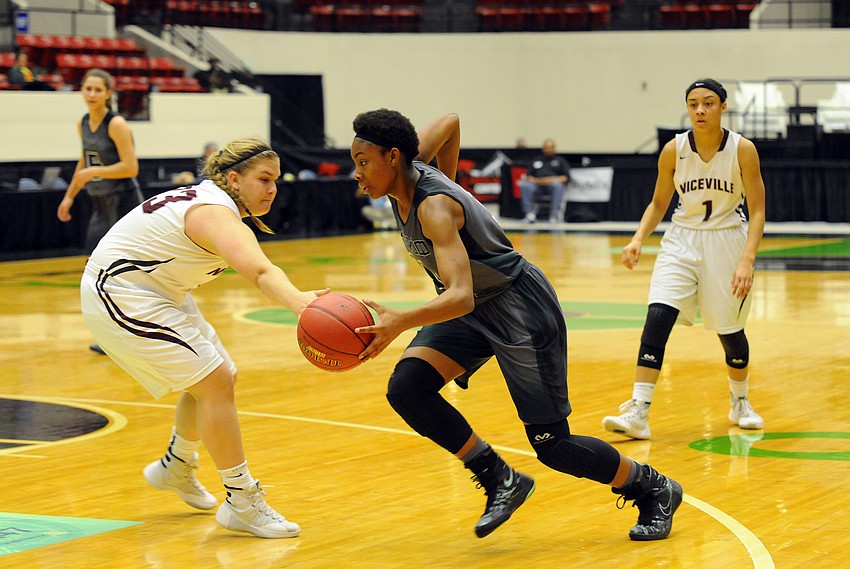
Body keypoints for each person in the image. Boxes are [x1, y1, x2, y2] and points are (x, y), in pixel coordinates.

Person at [350, 109, 682, 541]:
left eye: (363, 161)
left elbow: (459, 295)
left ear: (393, 157)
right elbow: (449, 121)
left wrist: (399, 322)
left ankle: (653, 488)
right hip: (473, 310)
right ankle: (498, 477)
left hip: (519, 308)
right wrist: (445, 174)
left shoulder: (433, 207)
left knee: (553, 446)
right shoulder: (410, 175)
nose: (355, 174)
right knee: (408, 388)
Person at [80, 137, 328, 538]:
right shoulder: (215, 213)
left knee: (220, 375)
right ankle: (241, 500)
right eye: (264, 179)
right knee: (214, 383)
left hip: (159, 289)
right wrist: (300, 302)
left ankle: (176, 466)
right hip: (120, 291)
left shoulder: (215, 201)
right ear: (234, 178)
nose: (272, 189)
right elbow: (261, 272)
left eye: (276, 180)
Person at [602, 79, 766, 440]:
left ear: (723, 107)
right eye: (693, 104)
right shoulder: (673, 150)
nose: (700, 110)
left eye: (708, 103)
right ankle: (639, 410)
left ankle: (740, 401)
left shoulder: (743, 149)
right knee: (658, 315)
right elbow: (659, 202)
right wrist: (638, 239)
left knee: (730, 331)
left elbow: (757, 211)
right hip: (681, 240)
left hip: (727, 240)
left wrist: (747, 260)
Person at [56, 68, 144, 355]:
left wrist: (97, 170)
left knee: (122, 275)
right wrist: (69, 197)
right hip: (99, 204)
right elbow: (83, 162)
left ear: (108, 93)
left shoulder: (116, 124)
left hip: (123, 203)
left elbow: (131, 168)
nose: (91, 94)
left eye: (97, 89)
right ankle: (111, 335)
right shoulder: (83, 123)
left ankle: (135, 332)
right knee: (94, 272)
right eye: (87, 88)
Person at [519, 138, 570, 224]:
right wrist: (539, 181)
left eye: (550, 147)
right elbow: (529, 177)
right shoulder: (536, 160)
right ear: (543, 149)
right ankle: (529, 214)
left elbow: (566, 178)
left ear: (554, 149)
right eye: (546, 147)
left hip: (552, 185)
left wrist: (550, 180)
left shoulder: (560, 161)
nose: (548, 150)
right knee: (526, 186)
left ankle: (554, 215)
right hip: (537, 185)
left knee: (557, 185)